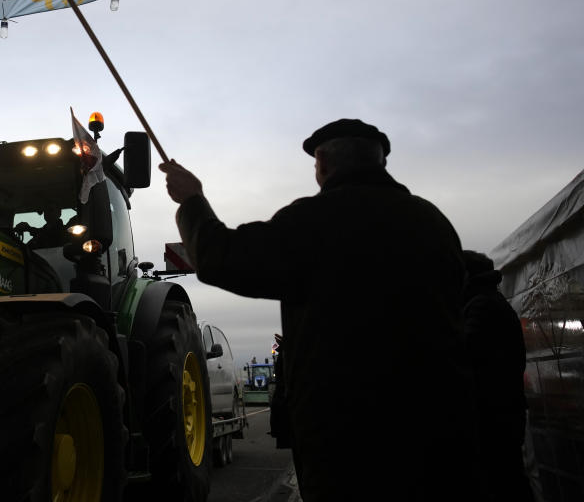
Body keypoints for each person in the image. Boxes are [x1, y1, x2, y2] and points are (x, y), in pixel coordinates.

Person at [160, 119, 477, 501]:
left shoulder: (313, 222)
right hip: (438, 428)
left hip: (345, 436)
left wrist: (193, 200)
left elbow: (220, 257)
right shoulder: (434, 225)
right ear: (380, 162)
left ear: (323, 163)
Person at [461, 250, 534, 502]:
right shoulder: (491, 301)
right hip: (503, 409)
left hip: (495, 412)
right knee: (508, 477)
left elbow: (466, 352)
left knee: (503, 480)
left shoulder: (481, 304)